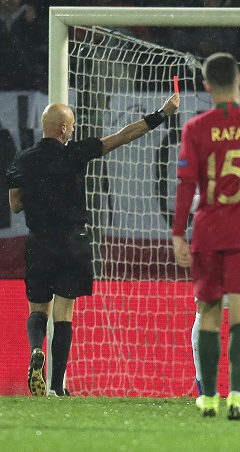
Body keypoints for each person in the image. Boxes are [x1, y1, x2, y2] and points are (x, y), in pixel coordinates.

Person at [7, 94, 180, 397]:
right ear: (62, 128)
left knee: (38, 308)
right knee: (64, 311)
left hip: (39, 241)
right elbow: (124, 136)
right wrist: (162, 114)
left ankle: (37, 349)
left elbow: (15, 204)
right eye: (71, 126)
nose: (73, 131)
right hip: (72, 240)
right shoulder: (75, 153)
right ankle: (58, 386)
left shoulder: (22, 159)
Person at [172, 53, 240, 421]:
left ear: (206, 85)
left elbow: (186, 185)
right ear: (239, 79)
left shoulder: (196, 128)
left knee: (207, 314)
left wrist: (177, 233)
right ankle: (237, 396)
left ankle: (207, 397)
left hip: (208, 229)